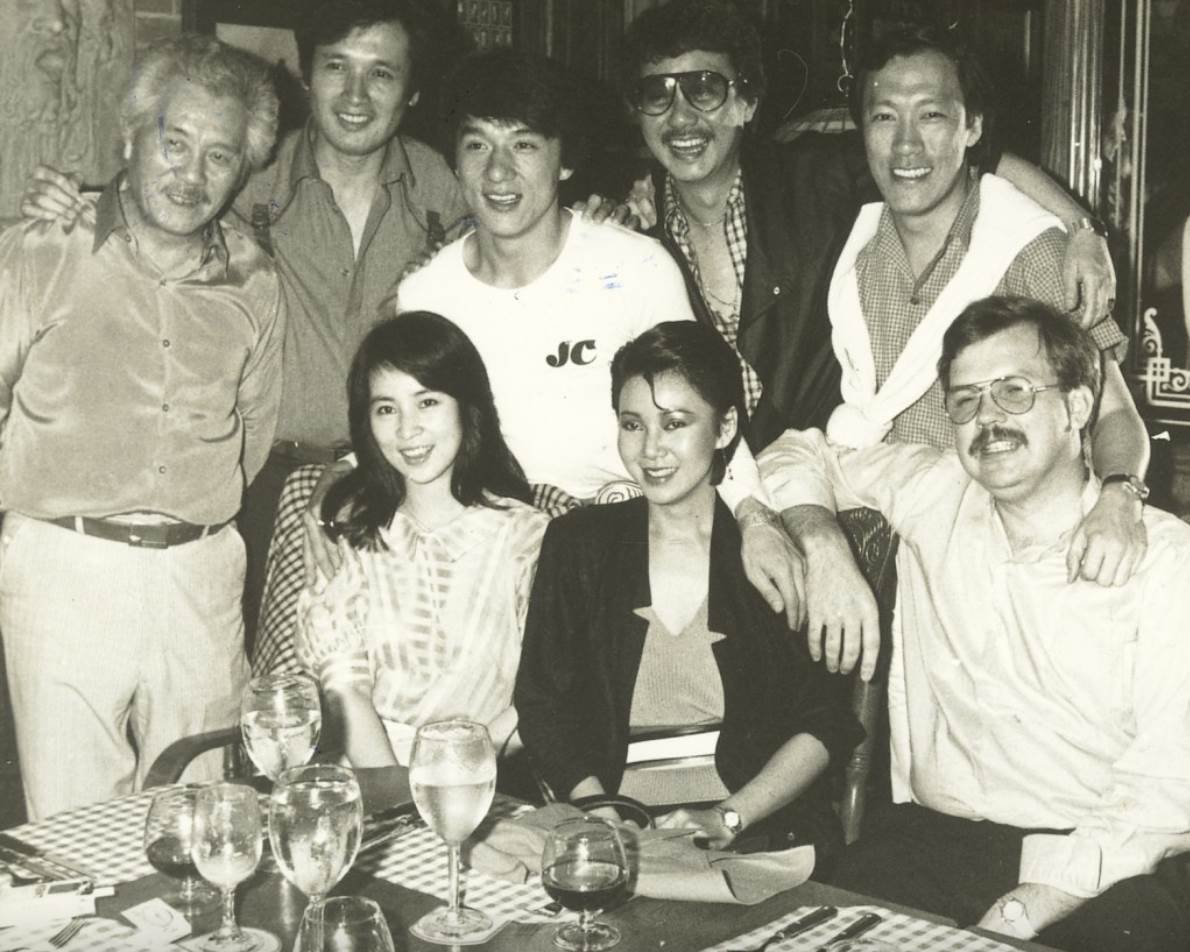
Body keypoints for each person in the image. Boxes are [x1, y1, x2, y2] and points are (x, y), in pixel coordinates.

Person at [619, 1, 1122, 678]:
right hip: (752, 505)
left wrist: (1082, 229)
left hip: (860, 505)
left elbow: (972, 157)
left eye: (705, 89)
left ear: (746, 102)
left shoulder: (819, 180)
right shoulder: (631, 238)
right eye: (658, 94)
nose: (682, 117)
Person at [19, 0, 470, 648]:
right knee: (261, 683)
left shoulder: (442, 190)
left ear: (412, 90)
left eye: (381, 73)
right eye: (336, 66)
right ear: (306, 75)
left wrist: (596, 212)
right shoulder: (250, 175)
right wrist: (69, 200)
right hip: (265, 491)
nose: (355, 95)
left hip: (403, 478)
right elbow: (157, 196)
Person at [759, 296, 1190, 952]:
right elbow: (793, 453)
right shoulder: (935, 492)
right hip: (940, 842)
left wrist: (1023, 909)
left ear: (1077, 408)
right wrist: (822, 545)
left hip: (1114, 860)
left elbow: (1167, 786)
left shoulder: (1166, 562)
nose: (987, 417)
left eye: (1014, 391)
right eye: (965, 400)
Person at [769, 25, 1150, 677]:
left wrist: (1120, 498)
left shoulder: (1030, 254)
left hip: (1010, 567)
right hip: (878, 556)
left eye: (932, 116)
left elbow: (1114, 414)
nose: (906, 145)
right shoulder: (851, 244)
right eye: (884, 117)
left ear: (972, 127)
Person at [393, 49, 802, 616]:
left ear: (565, 162)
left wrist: (755, 517)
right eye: (477, 145)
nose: (498, 172)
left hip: (626, 544)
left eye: (524, 145)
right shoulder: (425, 296)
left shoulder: (635, 267)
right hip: (482, 557)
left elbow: (703, 410)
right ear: (455, 163)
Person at [0, 34, 285, 819]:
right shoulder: (42, 248)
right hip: (65, 568)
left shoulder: (255, 279)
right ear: (131, 136)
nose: (192, 175)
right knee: (71, 825)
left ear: (243, 169)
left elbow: (252, 432)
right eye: (175, 141)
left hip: (200, 574)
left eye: (220, 156)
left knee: (207, 818)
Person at [514, 321, 861, 864]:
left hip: (754, 838)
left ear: (725, 428)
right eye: (633, 424)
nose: (651, 449)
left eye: (675, 423)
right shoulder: (579, 544)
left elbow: (825, 720)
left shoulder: (771, 555)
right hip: (611, 835)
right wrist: (602, 813)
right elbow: (543, 704)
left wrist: (727, 818)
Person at [295, 311, 548, 771]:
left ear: (466, 405)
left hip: (489, 777)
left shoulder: (528, 538)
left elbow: (544, 689)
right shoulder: (350, 537)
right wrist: (397, 792)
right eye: (386, 409)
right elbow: (345, 691)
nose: (406, 430)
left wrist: (456, 773)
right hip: (372, 777)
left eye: (427, 402)